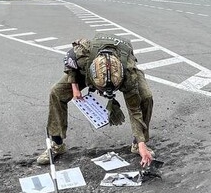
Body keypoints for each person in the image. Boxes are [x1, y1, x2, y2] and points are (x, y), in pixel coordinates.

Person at [38, 35, 155, 167]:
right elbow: (70, 62)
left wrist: (141, 142)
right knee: (56, 92)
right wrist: (75, 87)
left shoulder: (128, 75)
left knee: (146, 97)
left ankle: (138, 144)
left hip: (123, 68)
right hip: (90, 67)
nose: (105, 93)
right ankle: (57, 144)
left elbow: (135, 110)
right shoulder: (84, 56)